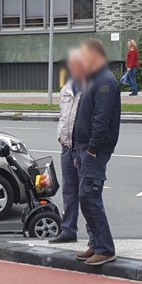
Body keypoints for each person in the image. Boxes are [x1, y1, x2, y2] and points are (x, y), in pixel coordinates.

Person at [72, 39, 120, 266]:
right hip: (84, 149)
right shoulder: (93, 80)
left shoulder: (105, 82)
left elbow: (102, 119)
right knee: (86, 196)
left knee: (89, 196)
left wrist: (91, 148)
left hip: (94, 150)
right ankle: (95, 243)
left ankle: (105, 248)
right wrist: (77, 150)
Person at [49, 50, 89, 244]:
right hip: (66, 147)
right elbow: (63, 117)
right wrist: (60, 137)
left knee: (87, 193)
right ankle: (68, 230)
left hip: (82, 148)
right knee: (69, 190)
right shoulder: (66, 89)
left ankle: (94, 234)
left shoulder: (90, 89)